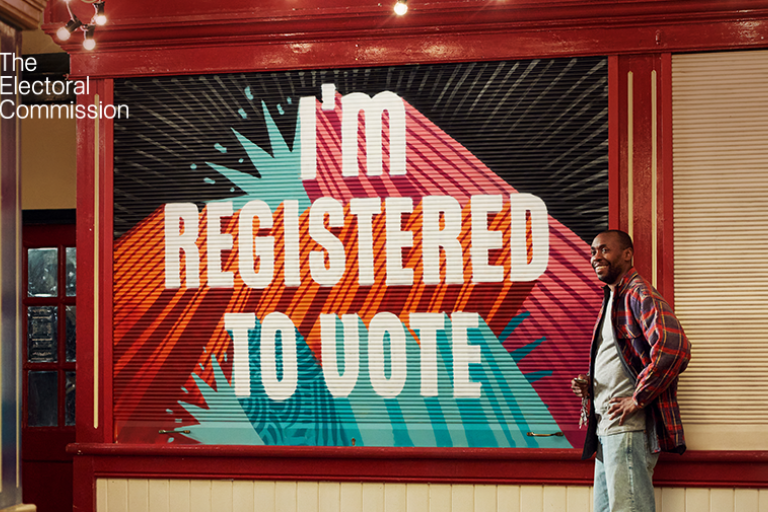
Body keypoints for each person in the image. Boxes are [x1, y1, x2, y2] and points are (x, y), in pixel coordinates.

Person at [571, 230, 690, 512]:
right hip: (607, 429)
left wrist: (638, 398)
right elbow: (627, 359)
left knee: (629, 509)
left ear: (627, 254)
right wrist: (592, 383)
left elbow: (675, 348)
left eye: (604, 250)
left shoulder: (638, 292)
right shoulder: (614, 298)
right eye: (593, 252)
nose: (596, 257)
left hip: (627, 429)